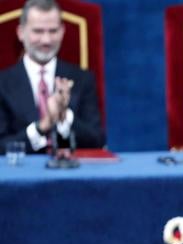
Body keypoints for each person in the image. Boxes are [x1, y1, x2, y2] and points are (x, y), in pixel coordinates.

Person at [0, 0, 105, 153]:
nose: (46, 40)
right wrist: (42, 126)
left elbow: (97, 140)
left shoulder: (82, 79)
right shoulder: (3, 83)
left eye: (53, 31)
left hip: (71, 172)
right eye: (38, 31)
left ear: (62, 31)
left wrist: (64, 116)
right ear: (21, 33)